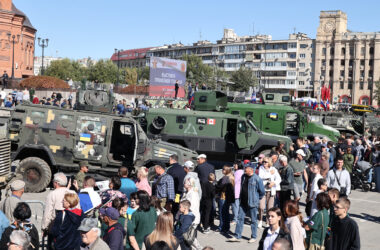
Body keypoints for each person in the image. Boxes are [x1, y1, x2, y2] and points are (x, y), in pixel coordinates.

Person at [229, 163, 265, 243]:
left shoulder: (257, 179)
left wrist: (256, 199)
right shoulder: (243, 177)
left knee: (253, 220)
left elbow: (262, 192)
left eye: (246, 168)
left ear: (251, 170)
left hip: (253, 203)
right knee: (240, 219)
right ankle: (237, 236)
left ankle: (254, 237)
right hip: (243, 202)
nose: (245, 169)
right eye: (245, 167)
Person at [41, 172, 71, 247]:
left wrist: (44, 228)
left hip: (56, 226)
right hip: (70, 226)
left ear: (56, 183)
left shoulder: (52, 194)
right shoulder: (72, 193)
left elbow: (48, 213)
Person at [258, 157, 281, 228]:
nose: (264, 163)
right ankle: (260, 220)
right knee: (261, 207)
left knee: (269, 208)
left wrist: (273, 183)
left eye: (266, 162)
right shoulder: (261, 168)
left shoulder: (273, 169)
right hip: (263, 190)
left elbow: (279, 179)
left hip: (271, 191)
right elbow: (261, 177)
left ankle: (268, 222)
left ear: (269, 163)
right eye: (263, 162)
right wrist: (269, 174)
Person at [216, 165, 234, 234]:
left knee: (222, 213)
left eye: (223, 169)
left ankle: (221, 227)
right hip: (229, 197)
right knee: (227, 213)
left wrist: (216, 185)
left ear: (226, 170)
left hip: (223, 196)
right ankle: (227, 228)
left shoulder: (225, 178)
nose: (222, 170)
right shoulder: (232, 177)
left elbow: (220, 187)